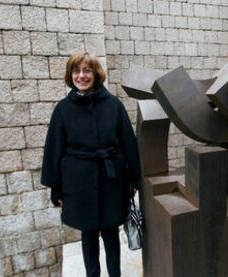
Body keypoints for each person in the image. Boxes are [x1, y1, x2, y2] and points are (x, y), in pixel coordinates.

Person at [41, 52, 141, 277]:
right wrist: (55, 187)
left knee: (110, 232)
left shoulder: (114, 105)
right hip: (79, 184)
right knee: (88, 235)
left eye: (87, 71)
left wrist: (134, 178)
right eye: (76, 71)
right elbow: (54, 149)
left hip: (111, 180)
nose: (81, 76)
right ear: (70, 75)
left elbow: (128, 142)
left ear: (96, 74)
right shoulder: (63, 109)